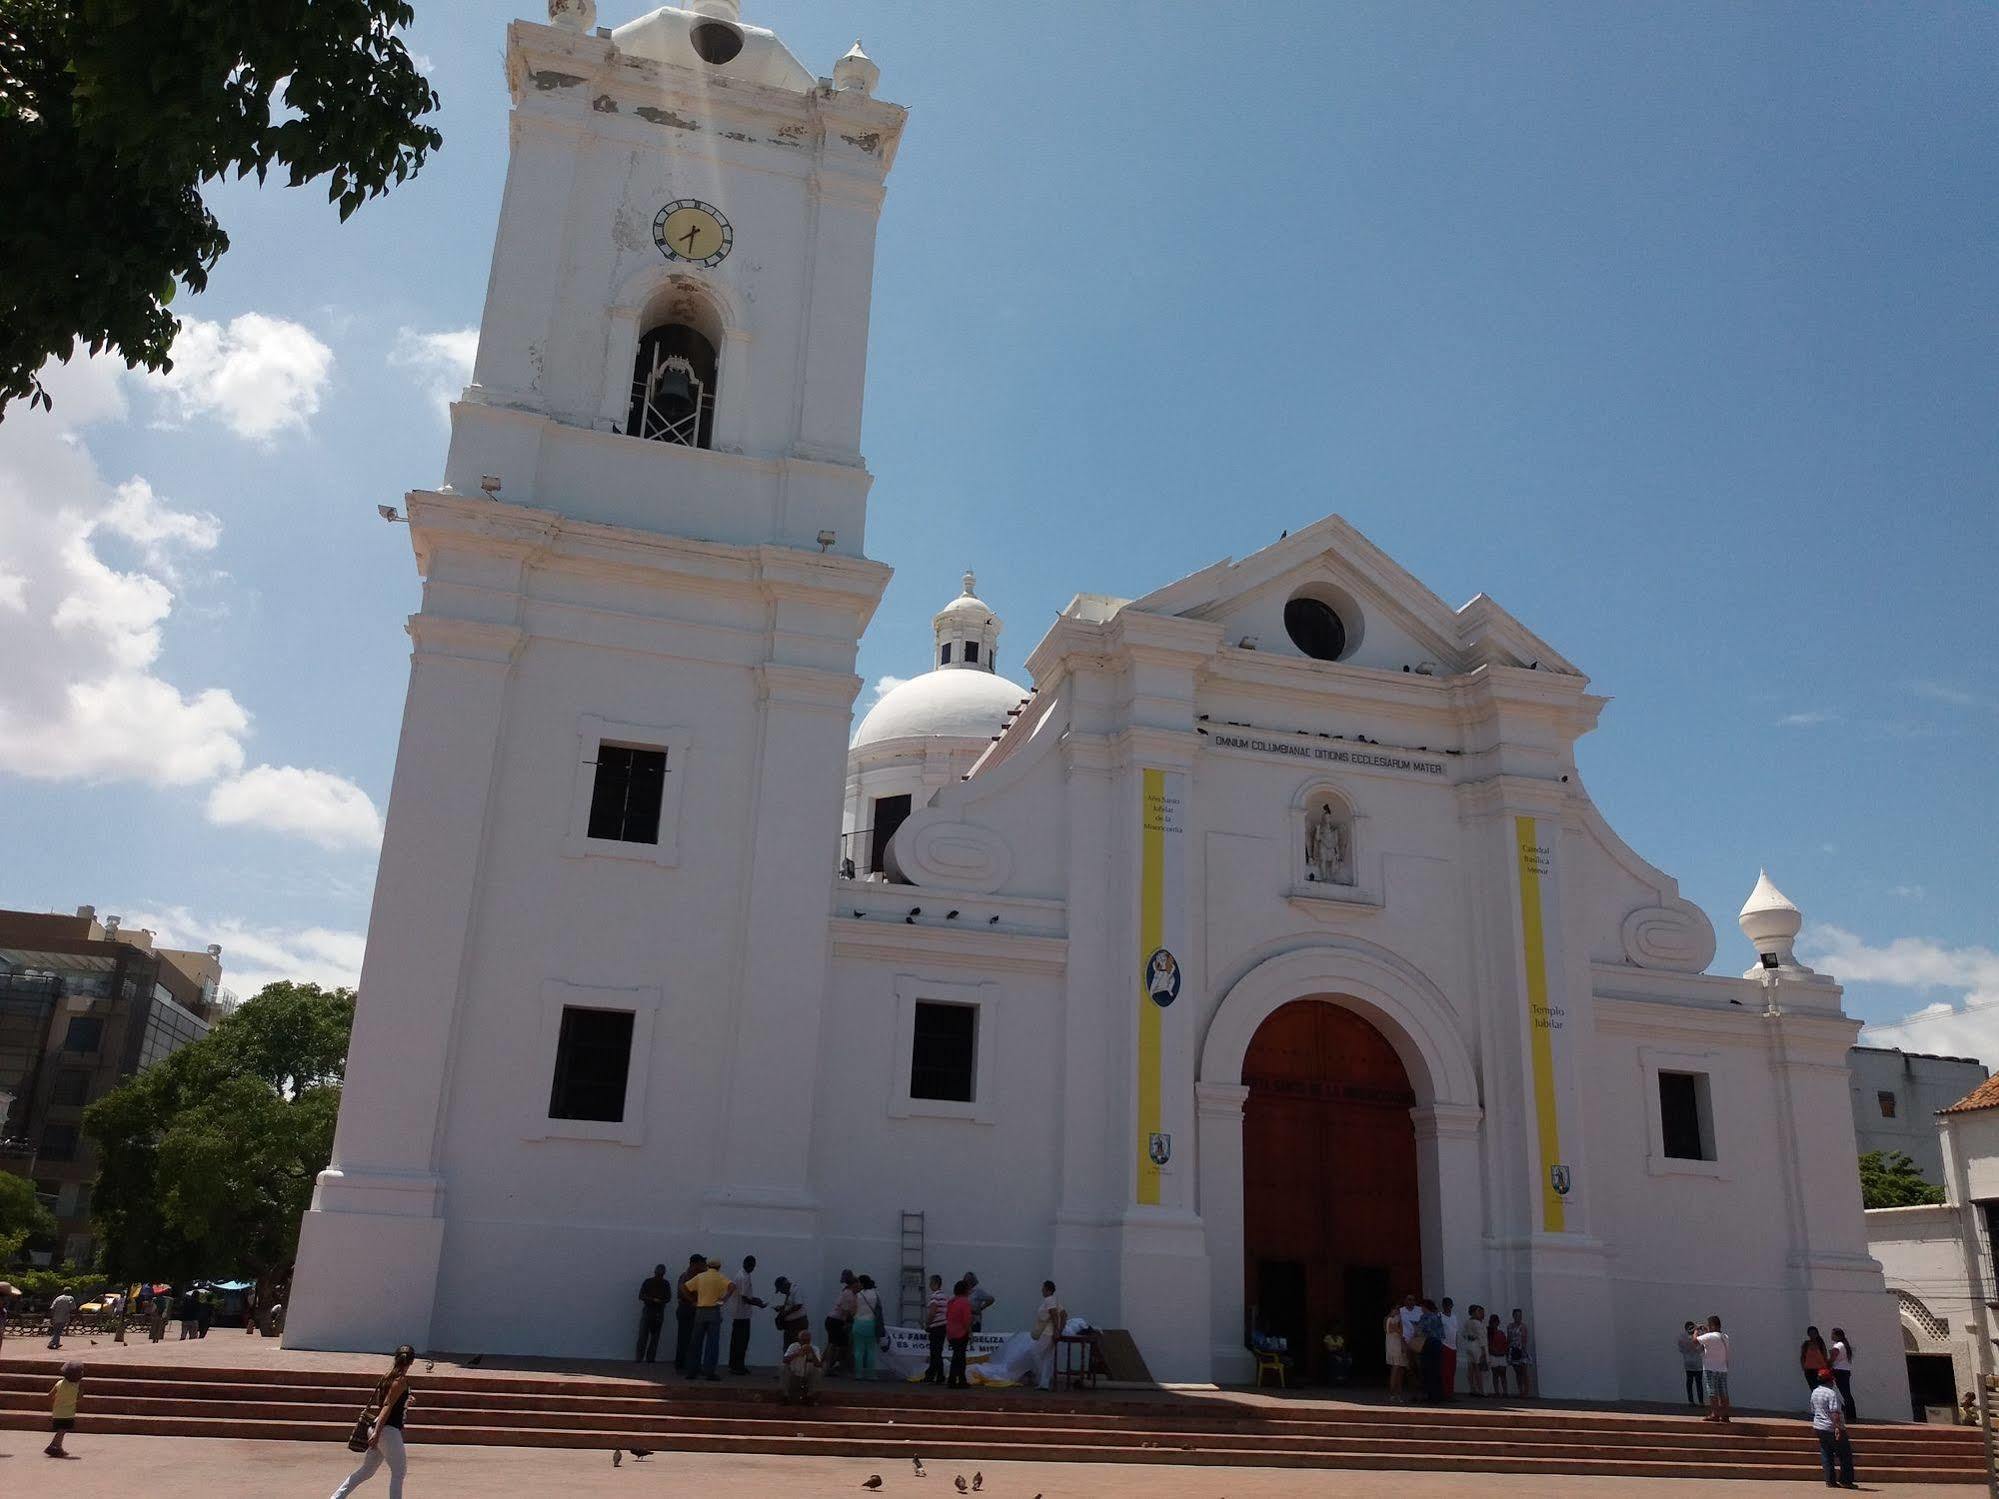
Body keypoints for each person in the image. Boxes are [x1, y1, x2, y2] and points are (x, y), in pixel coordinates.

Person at [329, 1344, 416, 1498]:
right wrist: (377, 1432)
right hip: (387, 1431)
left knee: (367, 1471)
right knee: (399, 1472)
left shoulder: (387, 1376)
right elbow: (387, 1406)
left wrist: (405, 1401)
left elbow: (383, 1402)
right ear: (411, 1362)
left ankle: (336, 1497)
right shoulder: (400, 1380)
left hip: (379, 1428)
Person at [685, 1255, 733, 1381]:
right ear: (719, 1267)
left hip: (700, 1311)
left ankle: (692, 1371)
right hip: (713, 1311)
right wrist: (724, 1299)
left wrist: (692, 1301)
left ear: (708, 1266)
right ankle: (709, 1372)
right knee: (712, 1344)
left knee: (695, 1343)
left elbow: (684, 1287)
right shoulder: (720, 1277)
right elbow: (732, 1286)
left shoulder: (701, 1277)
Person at [1810, 1367, 1857, 1488]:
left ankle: (1830, 1480)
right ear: (1829, 1381)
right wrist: (1837, 1428)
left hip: (1819, 1427)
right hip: (1832, 1427)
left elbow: (1813, 1409)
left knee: (1826, 1453)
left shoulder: (1815, 1392)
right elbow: (1834, 1412)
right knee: (1845, 1454)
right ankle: (1846, 1480)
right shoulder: (1831, 1393)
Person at [724, 1255, 766, 1375]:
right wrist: (758, 1304)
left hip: (738, 1314)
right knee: (741, 1342)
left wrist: (755, 1299)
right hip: (742, 1315)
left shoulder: (740, 1274)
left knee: (736, 1341)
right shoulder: (744, 1277)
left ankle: (734, 1365)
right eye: (752, 1265)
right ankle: (738, 1366)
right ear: (749, 1265)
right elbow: (744, 1298)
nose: (753, 1268)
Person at [1697, 1314, 1732, 1424]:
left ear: (1712, 1325)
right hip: (1722, 1369)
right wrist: (1708, 1331)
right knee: (1724, 1393)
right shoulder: (1725, 1336)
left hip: (1710, 1368)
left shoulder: (1710, 1337)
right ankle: (1725, 1415)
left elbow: (1694, 1342)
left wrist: (1695, 1332)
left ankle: (1715, 1414)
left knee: (1712, 1392)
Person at [671, 1254, 703, 1373]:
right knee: (684, 1338)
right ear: (694, 1264)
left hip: (690, 1309)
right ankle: (681, 1365)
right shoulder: (686, 1276)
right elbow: (682, 1291)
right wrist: (693, 1301)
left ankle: (687, 1364)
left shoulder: (694, 1276)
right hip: (686, 1309)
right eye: (700, 1263)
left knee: (690, 1338)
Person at [1031, 1281, 1066, 1391]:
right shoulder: (1055, 1300)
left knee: (1035, 1353)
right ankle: (1044, 1383)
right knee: (1047, 1358)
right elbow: (1064, 1314)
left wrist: (1057, 1330)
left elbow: (1054, 1314)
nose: (1041, 1290)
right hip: (1050, 1332)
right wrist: (1060, 1330)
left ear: (1048, 1289)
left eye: (1043, 1288)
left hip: (1047, 1333)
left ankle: (1041, 1378)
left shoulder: (1049, 1300)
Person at [850, 1273, 885, 1381]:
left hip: (858, 1323)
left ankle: (859, 1374)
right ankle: (871, 1374)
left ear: (862, 1283)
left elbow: (853, 1310)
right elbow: (879, 1310)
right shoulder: (876, 1294)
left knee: (858, 1350)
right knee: (870, 1350)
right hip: (871, 1324)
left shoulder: (858, 1295)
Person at [45, 1360, 82, 1457]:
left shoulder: (59, 1383)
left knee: (61, 1430)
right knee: (62, 1430)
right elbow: (80, 1397)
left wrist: (56, 1401)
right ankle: (53, 1446)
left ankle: (58, 1447)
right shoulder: (77, 1386)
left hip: (57, 1411)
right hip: (69, 1412)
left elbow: (49, 1395)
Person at [825, 1270, 857, 1378]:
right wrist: (850, 1321)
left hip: (833, 1320)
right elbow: (846, 1310)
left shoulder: (846, 1292)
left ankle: (830, 1366)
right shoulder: (849, 1293)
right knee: (837, 1345)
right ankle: (830, 1366)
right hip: (836, 1321)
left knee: (834, 1344)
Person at [636, 1263, 670, 1363]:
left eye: (661, 1274)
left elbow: (668, 1298)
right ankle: (640, 1358)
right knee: (643, 1335)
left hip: (658, 1311)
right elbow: (641, 1295)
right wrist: (653, 1299)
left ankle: (649, 1358)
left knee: (654, 1337)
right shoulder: (648, 1282)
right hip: (649, 1310)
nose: (659, 1275)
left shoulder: (665, 1284)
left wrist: (659, 1301)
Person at [780, 1325, 822, 1405]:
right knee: (783, 1368)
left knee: (818, 1371)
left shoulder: (815, 1348)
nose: (806, 1342)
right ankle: (785, 1396)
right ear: (799, 1340)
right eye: (803, 1340)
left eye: (807, 1340)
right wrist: (797, 1353)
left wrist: (812, 1353)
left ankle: (810, 1396)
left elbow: (818, 1364)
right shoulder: (793, 1346)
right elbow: (784, 1360)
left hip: (807, 1376)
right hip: (794, 1375)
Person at [946, 1279, 974, 1388]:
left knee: (956, 1356)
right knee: (960, 1357)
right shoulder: (965, 1302)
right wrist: (970, 1333)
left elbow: (947, 1316)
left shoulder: (952, 1301)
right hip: (960, 1332)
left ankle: (954, 1379)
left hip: (950, 1332)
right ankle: (958, 1380)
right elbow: (966, 1320)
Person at [1416, 1299, 1445, 1401]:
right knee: (1436, 1369)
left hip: (1428, 1343)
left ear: (1425, 1307)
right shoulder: (1437, 1317)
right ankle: (1437, 1394)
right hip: (1437, 1344)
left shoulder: (1425, 1317)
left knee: (1426, 1369)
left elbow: (1420, 1331)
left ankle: (1428, 1394)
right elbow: (1442, 1333)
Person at [923, 1274, 950, 1385]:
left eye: (930, 1283)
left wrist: (927, 1324)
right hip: (943, 1326)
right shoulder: (944, 1296)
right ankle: (939, 1376)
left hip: (936, 1327)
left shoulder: (934, 1296)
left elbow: (932, 1312)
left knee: (934, 1352)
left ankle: (931, 1375)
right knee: (938, 1351)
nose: (929, 1285)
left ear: (934, 1283)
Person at [771, 1276, 809, 1352]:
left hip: (797, 1324)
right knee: (788, 1348)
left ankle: (796, 1363)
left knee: (796, 1348)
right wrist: (781, 1308)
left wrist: (784, 1313)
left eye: (781, 1290)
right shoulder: (789, 1293)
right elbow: (791, 1305)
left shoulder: (795, 1290)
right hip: (790, 1326)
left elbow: (798, 1305)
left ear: (784, 1285)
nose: (781, 1292)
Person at [1828, 1327, 1857, 1421]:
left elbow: (1832, 1359)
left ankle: (1849, 1415)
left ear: (1837, 1335)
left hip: (1839, 1371)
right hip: (1845, 1371)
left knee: (1845, 1394)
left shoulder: (1837, 1346)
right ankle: (1851, 1415)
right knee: (1847, 1394)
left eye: (1833, 1334)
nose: (1831, 1336)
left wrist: (1827, 1365)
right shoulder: (1844, 1345)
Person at [1505, 1308, 1534, 1398]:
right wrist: (1507, 1350)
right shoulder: (1509, 1326)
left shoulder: (1523, 1326)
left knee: (1524, 1372)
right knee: (1517, 1372)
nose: (1519, 1317)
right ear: (1513, 1316)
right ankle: (1520, 1390)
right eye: (1517, 1315)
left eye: (1520, 1315)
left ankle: (1526, 1391)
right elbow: (1508, 1339)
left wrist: (1523, 1351)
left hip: (1521, 1350)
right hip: (1513, 1350)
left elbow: (1524, 1339)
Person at [1383, 1303, 1409, 1401]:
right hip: (1393, 1345)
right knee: (1395, 1368)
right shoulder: (1388, 1319)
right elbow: (1392, 1329)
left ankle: (1398, 1393)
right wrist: (1398, 1327)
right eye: (1396, 1309)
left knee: (1400, 1371)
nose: (1397, 1311)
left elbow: (1400, 1332)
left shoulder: (1399, 1319)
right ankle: (1392, 1393)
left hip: (1398, 1344)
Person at [1677, 1321, 1704, 1406]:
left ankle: (1690, 1401)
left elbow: (1681, 1349)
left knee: (1689, 1382)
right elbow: (1701, 1349)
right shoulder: (1697, 1336)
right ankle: (1701, 1401)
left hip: (1688, 1362)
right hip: (1698, 1363)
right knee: (1699, 1383)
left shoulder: (1682, 1337)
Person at [1800, 1325, 1831, 1398]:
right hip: (1809, 1371)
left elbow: (1824, 1356)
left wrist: (1827, 1368)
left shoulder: (1820, 1344)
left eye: (1814, 1333)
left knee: (1823, 1390)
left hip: (1820, 1370)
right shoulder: (1806, 1344)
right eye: (1810, 1333)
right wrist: (1804, 1366)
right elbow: (1802, 1356)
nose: (1812, 1335)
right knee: (1814, 1390)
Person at [1463, 1304, 1487, 1396]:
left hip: (1469, 1345)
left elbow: (1464, 1334)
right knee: (1478, 1369)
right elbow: (1481, 1337)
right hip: (1477, 1346)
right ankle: (1481, 1390)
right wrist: (1484, 1350)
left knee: (1470, 1368)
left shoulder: (1467, 1322)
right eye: (1478, 1311)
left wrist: (1470, 1336)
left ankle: (1472, 1388)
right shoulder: (1477, 1323)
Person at [1438, 1296, 1459, 1400]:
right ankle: (1444, 1393)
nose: (1448, 1307)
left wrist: (1456, 1346)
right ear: (1443, 1306)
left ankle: (1450, 1393)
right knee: (1444, 1371)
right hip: (1444, 1345)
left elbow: (1456, 1332)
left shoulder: (1454, 1317)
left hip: (1453, 1347)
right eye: (1446, 1305)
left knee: (1452, 1371)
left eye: (1450, 1305)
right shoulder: (1440, 1316)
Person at [1486, 1314, 1509, 1397]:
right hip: (1494, 1355)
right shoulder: (1488, 1334)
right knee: (1495, 1375)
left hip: (1501, 1355)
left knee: (1503, 1374)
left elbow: (1505, 1344)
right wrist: (1493, 1351)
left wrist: (1503, 1352)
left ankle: (1505, 1392)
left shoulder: (1501, 1333)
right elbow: (1488, 1345)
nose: (1495, 1324)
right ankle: (1497, 1392)